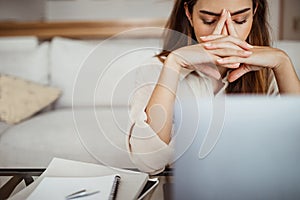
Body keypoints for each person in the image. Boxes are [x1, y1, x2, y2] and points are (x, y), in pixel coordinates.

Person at [126, 0, 300, 174]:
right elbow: (149, 163)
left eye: (240, 20)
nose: (225, 34)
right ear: (189, 14)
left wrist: (282, 63)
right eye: (209, 20)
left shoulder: (269, 70)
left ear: (254, 12)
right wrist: (174, 63)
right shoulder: (157, 70)